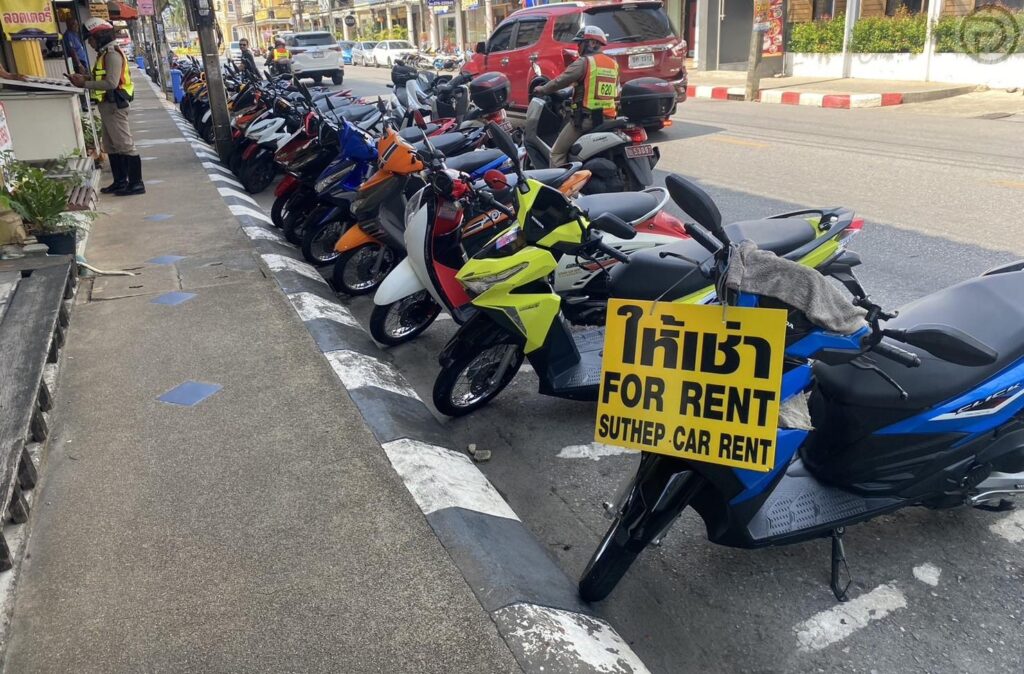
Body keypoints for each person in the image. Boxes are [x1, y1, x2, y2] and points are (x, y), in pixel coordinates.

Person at [68, 18, 144, 196]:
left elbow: (110, 83)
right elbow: (103, 79)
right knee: (111, 146)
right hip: (107, 106)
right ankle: (120, 182)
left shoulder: (112, 54)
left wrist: (84, 84)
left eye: (91, 39)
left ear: (99, 36)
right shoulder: (104, 54)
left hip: (115, 106)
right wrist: (84, 78)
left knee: (125, 145)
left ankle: (136, 183)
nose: (90, 43)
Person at [532, 25, 618, 168]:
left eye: (580, 43)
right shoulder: (613, 64)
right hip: (608, 118)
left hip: (586, 121)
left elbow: (560, 81)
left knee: (556, 153)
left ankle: (560, 188)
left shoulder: (585, 62)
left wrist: (542, 89)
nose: (578, 47)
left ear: (592, 43)